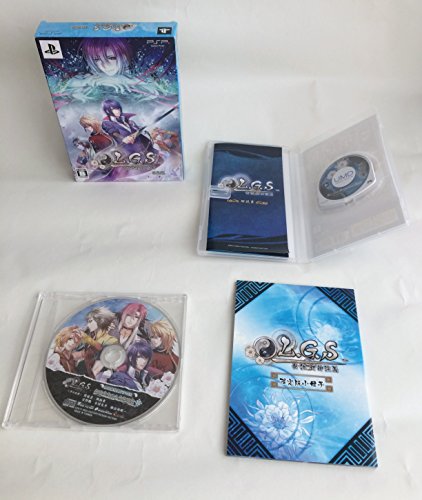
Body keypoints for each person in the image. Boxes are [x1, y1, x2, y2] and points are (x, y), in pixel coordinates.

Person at [78, 307, 118, 378]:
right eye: (88, 322)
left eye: (90, 321)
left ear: (100, 321)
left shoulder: (112, 340)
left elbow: (100, 348)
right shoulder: (90, 339)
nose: (88, 325)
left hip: (100, 376)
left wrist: (86, 338)